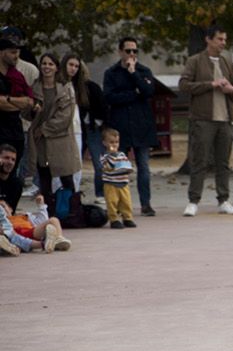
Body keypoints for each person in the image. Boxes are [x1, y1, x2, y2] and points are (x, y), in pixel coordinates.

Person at [178, 27, 233, 216]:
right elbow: (184, 85)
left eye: (224, 39)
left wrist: (231, 89)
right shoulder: (195, 61)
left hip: (225, 120)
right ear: (209, 40)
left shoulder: (228, 62)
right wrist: (210, 85)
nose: (223, 43)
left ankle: (223, 200)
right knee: (200, 161)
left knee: (223, 163)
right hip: (203, 119)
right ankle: (193, 201)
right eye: (219, 39)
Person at [103, 37, 161, 217]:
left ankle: (146, 203)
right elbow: (110, 97)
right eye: (128, 51)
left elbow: (148, 91)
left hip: (141, 125)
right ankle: (119, 204)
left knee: (143, 166)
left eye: (135, 51)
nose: (132, 54)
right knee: (118, 166)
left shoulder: (143, 71)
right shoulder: (111, 73)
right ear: (120, 51)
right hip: (120, 126)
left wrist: (133, 73)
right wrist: (133, 94)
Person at [0, 143, 71, 254]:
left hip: (9, 223)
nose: (10, 162)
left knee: (52, 220)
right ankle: (40, 244)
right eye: (6, 158)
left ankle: (57, 239)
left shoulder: (16, 184)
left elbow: (10, 212)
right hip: (8, 227)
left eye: (13, 159)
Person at [30, 54, 79, 197]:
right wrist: (32, 110)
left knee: (66, 178)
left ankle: (72, 212)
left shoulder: (65, 88)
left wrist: (44, 129)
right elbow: (26, 113)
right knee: (44, 180)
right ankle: (47, 212)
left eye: (50, 64)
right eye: (44, 63)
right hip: (41, 142)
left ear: (57, 67)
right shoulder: (35, 87)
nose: (47, 67)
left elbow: (65, 117)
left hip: (61, 140)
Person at [0, 38, 36, 194]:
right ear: (2, 53)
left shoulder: (17, 76)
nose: (16, 56)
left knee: (12, 175)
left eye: (18, 52)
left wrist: (8, 99)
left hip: (15, 131)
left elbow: (29, 101)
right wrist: (17, 102)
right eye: (13, 52)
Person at [66, 54, 104, 199]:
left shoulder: (92, 88)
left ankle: (100, 194)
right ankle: (72, 193)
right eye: (71, 66)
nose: (74, 70)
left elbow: (102, 108)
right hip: (75, 129)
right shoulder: (67, 87)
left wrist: (97, 122)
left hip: (92, 128)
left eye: (77, 67)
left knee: (98, 163)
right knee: (74, 164)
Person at [99, 128, 137, 228]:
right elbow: (108, 166)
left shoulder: (122, 154)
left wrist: (128, 169)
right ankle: (114, 219)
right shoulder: (104, 156)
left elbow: (126, 164)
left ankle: (127, 218)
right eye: (111, 142)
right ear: (104, 143)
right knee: (112, 202)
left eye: (116, 142)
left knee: (126, 202)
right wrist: (112, 154)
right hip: (111, 183)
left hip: (123, 182)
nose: (114, 144)